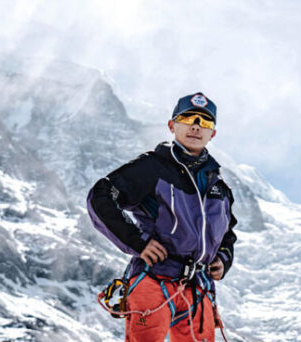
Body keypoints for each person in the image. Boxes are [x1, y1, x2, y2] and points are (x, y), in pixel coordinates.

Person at [87, 92, 237, 342]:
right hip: (154, 280)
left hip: (198, 289)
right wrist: (137, 242)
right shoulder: (152, 168)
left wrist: (224, 258)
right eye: (188, 118)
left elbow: (227, 232)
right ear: (172, 125)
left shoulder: (219, 186)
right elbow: (100, 197)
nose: (196, 127)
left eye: (205, 122)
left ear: (213, 134)